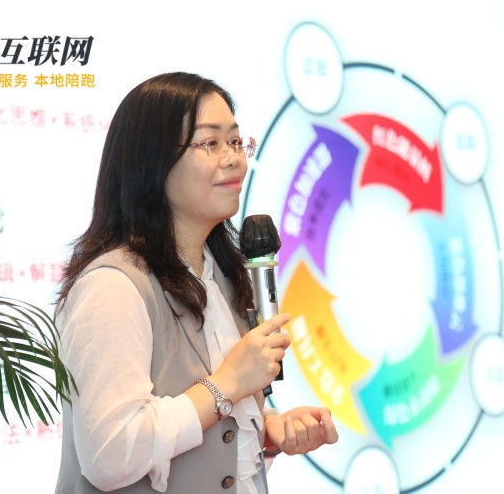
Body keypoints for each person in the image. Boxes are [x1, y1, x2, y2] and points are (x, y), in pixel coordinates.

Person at [54, 72, 338, 494]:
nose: (234, 158)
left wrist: (267, 428)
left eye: (236, 141)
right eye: (210, 143)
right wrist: (226, 384)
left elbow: (207, 431)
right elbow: (109, 455)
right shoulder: (112, 287)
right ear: (152, 163)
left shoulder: (225, 276)